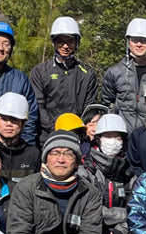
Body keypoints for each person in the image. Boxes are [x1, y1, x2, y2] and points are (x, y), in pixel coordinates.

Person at [81, 114, 135, 234]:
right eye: (108, 136)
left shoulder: (128, 173)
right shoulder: (85, 171)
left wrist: (120, 232)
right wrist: (106, 230)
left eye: (117, 137)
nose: (113, 141)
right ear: (98, 139)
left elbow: (135, 210)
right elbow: (87, 209)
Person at [29, 17, 100, 145]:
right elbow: (38, 106)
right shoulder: (40, 72)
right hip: (47, 137)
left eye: (70, 41)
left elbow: (89, 108)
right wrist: (57, 129)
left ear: (77, 43)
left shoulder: (87, 74)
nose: (65, 46)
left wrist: (77, 129)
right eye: (61, 41)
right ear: (53, 42)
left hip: (78, 137)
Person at [102, 18, 146, 133]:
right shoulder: (114, 72)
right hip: (122, 134)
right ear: (128, 42)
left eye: (143, 40)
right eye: (135, 40)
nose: (139, 44)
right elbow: (107, 104)